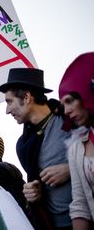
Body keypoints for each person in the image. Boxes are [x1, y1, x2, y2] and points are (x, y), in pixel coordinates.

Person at [0, 68, 72, 229]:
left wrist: (71, 169)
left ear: (26, 97)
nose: (7, 111)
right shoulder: (23, 146)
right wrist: (34, 193)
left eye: (9, 102)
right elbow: (38, 187)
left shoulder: (72, 119)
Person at [59, 52, 94, 230]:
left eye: (70, 101)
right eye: (63, 104)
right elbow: (80, 203)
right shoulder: (76, 149)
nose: (66, 111)